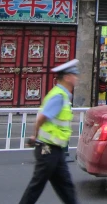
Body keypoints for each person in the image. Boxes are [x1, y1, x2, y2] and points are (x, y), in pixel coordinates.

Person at [18, 59, 79, 204]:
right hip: (47, 149)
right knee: (37, 186)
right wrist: (35, 135)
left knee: (66, 186)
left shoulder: (63, 95)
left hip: (55, 149)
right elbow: (41, 118)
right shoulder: (58, 96)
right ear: (67, 77)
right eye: (74, 75)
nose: (77, 78)